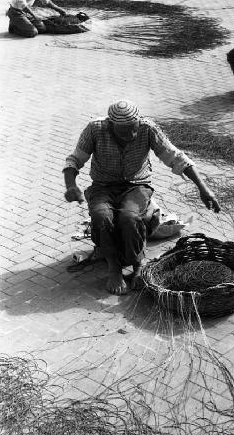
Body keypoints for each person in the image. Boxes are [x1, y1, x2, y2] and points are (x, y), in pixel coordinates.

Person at [63, 100, 221, 296]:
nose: (131, 136)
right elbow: (74, 160)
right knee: (101, 216)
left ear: (139, 122)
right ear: (111, 126)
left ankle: (137, 264)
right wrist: (71, 185)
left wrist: (203, 189)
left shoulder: (148, 128)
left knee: (129, 217)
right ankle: (114, 267)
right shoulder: (95, 129)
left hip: (137, 185)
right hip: (102, 186)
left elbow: (175, 157)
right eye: (124, 132)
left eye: (134, 129)